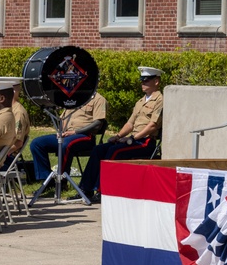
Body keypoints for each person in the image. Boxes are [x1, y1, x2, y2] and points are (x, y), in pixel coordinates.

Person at [79, 67, 163, 201]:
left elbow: (152, 126)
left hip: (145, 142)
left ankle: (102, 191)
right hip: (133, 140)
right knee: (98, 150)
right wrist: (118, 136)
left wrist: (132, 138)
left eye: (146, 81)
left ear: (156, 81)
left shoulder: (160, 100)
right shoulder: (140, 102)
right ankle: (85, 189)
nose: (143, 83)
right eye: (142, 81)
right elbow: (130, 124)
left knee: (114, 152)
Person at [29, 91, 108, 184]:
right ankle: (47, 180)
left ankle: (61, 181)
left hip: (85, 136)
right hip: (66, 135)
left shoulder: (99, 99)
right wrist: (61, 131)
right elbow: (63, 119)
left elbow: (98, 123)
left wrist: (75, 132)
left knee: (66, 145)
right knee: (37, 143)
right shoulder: (73, 98)